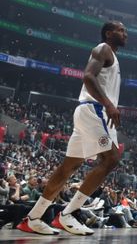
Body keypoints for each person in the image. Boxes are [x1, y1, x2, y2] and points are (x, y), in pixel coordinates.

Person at [18, 21, 127, 236]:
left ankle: (32, 218)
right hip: (94, 110)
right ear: (108, 33)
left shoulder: (113, 56)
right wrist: (108, 104)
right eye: (120, 30)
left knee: (68, 168)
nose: (125, 33)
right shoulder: (102, 49)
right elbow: (87, 76)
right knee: (111, 159)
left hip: (93, 112)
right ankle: (67, 215)